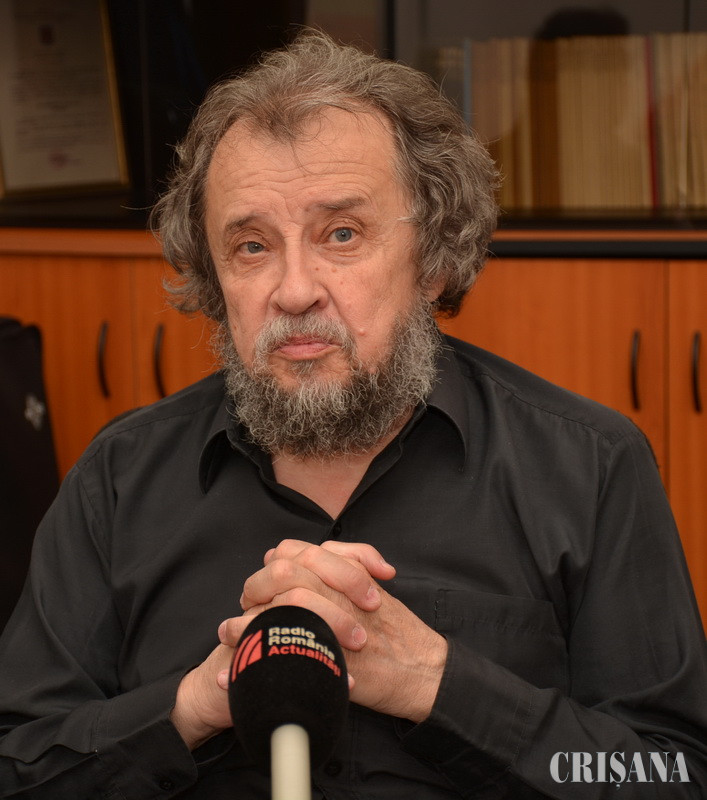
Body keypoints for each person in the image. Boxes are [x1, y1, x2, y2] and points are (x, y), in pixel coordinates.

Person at [0, 29, 705, 800]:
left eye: (341, 234)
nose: (294, 290)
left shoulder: (589, 465)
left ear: (433, 258)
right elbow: (20, 767)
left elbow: (670, 775)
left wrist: (435, 683)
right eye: (251, 246)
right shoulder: (119, 478)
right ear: (212, 277)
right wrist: (192, 705)